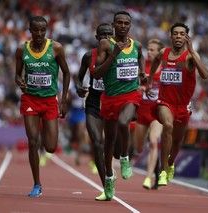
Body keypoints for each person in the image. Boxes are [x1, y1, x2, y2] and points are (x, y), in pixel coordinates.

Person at [93, 11, 146, 200]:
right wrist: (113, 55)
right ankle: (108, 178)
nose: (123, 26)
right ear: (114, 24)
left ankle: (124, 158)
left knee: (125, 122)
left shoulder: (137, 45)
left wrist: (143, 74)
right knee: (108, 143)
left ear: (130, 26)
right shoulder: (106, 44)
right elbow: (97, 74)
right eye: (119, 22)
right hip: (110, 98)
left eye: (126, 23)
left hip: (131, 95)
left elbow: (140, 60)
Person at [147, 22, 208, 186]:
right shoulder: (164, 52)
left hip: (182, 106)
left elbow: (205, 74)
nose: (179, 36)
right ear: (171, 36)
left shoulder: (190, 56)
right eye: (176, 33)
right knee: (168, 126)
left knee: (177, 142)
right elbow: (155, 61)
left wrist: (193, 51)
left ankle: (171, 162)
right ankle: (162, 169)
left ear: (187, 37)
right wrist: (151, 79)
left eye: (182, 34)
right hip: (165, 102)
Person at [15, 16, 70, 198]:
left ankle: (46, 151)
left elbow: (67, 73)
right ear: (30, 30)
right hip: (30, 99)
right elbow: (17, 75)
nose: (39, 33)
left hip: (49, 101)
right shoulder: (22, 49)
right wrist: (20, 82)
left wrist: (63, 101)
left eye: (42, 30)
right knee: (32, 141)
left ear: (46, 30)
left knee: (51, 147)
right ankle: (37, 184)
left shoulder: (56, 48)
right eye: (35, 30)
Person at [76, 23, 116, 201]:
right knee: (97, 144)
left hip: (114, 103)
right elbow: (79, 77)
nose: (105, 38)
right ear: (96, 37)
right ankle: (106, 183)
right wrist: (79, 88)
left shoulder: (120, 56)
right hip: (93, 104)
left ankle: (119, 160)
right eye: (102, 35)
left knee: (113, 147)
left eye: (108, 34)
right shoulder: (88, 56)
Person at [135, 39, 164, 190]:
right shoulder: (142, 66)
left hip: (157, 113)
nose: (149, 52)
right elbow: (132, 83)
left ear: (160, 52)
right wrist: (139, 88)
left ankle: (148, 176)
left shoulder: (166, 68)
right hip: (142, 112)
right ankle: (157, 168)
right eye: (148, 49)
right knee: (139, 148)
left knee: (153, 141)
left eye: (153, 50)